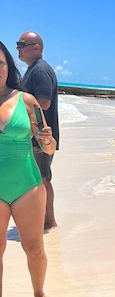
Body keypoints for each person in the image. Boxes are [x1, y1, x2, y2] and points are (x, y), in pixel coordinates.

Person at [0, 41, 57, 297]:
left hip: (27, 186)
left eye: (0, 64)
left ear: (7, 67)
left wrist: (48, 141)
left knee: (34, 248)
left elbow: (48, 146)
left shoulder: (26, 100)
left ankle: (39, 293)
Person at [17, 31, 59, 230]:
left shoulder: (40, 71)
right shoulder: (33, 69)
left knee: (42, 178)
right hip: (36, 137)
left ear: (36, 47)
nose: (18, 48)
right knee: (37, 178)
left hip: (41, 137)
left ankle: (49, 221)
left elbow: (43, 103)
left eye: (21, 44)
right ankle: (41, 218)